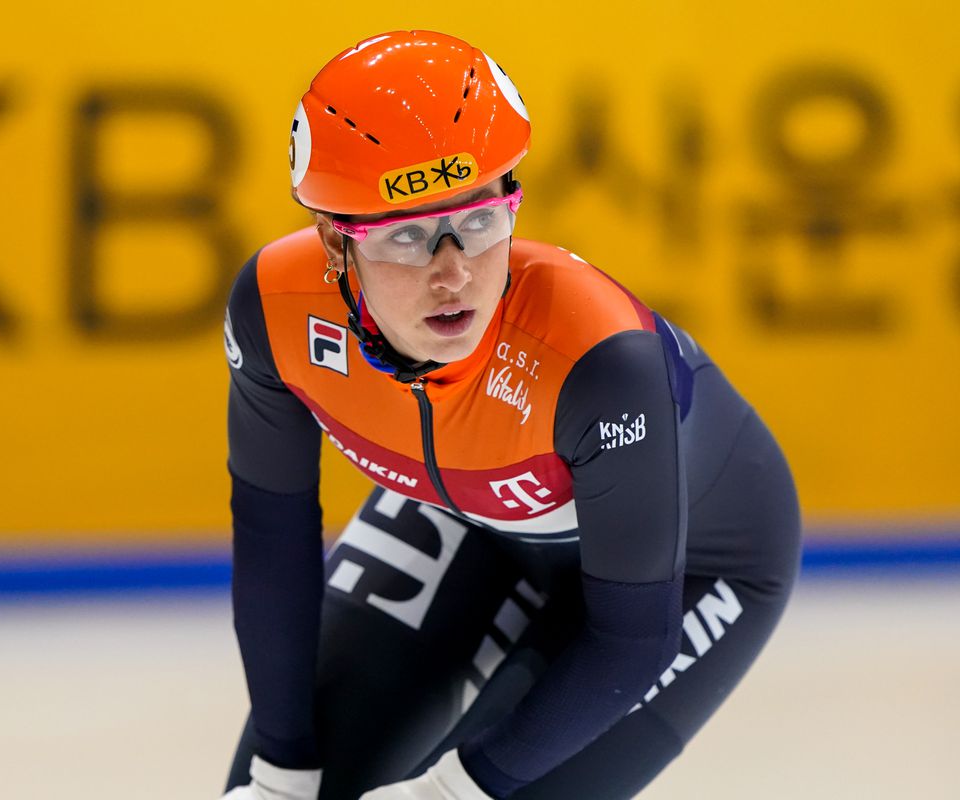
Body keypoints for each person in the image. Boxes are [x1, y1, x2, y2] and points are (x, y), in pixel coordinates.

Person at [220, 30, 801, 800]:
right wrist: (282, 765)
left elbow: (630, 640)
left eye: (483, 218)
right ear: (334, 240)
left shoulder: (596, 360)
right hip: (471, 520)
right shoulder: (275, 310)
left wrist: (454, 790)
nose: (453, 272)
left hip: (693, 569)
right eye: (407, 235)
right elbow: (272, 540)